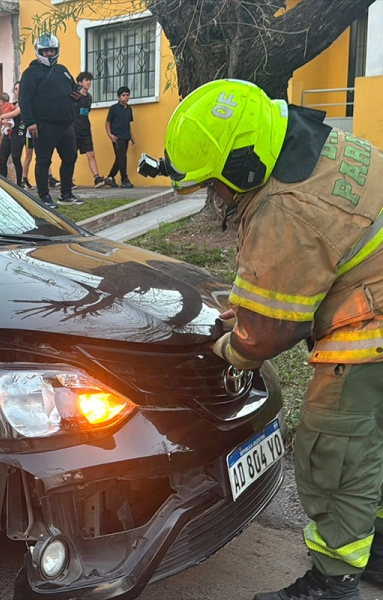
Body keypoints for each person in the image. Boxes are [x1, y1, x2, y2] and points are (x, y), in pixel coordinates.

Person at [156, 78, 383, 600]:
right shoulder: (325, 147)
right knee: (373, 443)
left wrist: (226, 348)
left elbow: (263, 338)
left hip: (368, 329)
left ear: (243, 165)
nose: (216, 195)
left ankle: (333, 583)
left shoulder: (282, 207)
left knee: (335, 454)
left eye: (215, 183)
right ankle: (375, 548)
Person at [19, 33, 81, 206]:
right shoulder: (30, 73)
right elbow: (24, 99)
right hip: (44, 125)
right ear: (39, 51)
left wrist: (77, 96)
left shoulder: (62, 70)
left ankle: (66, 194)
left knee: (70, 158)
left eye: (52, 50)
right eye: (45, 51)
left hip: (66, 124)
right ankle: (44, 196)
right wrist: (30, 122)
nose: (49, 54)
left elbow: (72, 90)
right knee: (44, 161)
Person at [74, 72, 106, 188]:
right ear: (80, 82)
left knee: (91, 154)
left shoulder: (89, 97)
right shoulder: (75, 96)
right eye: (86, 80)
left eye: (90, 80)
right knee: (71, 156)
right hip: (75, 130)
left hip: (86, 130)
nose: (89, 83)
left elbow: (87, 111)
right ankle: (68, 180)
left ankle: (97, 178)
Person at [105, 87, 135, 189]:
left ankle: (110, 177)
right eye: (123, 95)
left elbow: (128, 124)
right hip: (117, 137)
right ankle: (124, 179)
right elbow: (107, 122)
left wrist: (132, 137)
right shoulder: (114, 108)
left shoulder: (129, 109)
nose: (126, 97)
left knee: (119, 158)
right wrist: (109, 134)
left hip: (126, 136)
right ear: (119, 97)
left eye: (127, 95)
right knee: (122, 157)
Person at [0, 92, 23, 185]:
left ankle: (19, 184)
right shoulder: (12, 104)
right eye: (15, 89)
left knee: (16, 158)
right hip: (8, 132)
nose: (17, 91)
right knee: (2, 158)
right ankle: (3, 183)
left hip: (18, 133)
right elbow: (5, 116)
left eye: (18, 89)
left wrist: (1, 117)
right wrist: (3, 121)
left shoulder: (24, 103)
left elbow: (15, 113)